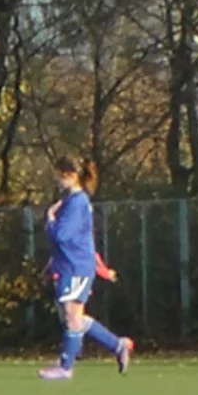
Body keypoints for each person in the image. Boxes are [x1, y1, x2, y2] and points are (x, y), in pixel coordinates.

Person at [38, 156, 134, 380]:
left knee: (72, 316)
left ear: (70, 175)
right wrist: (51, 263)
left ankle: (65, 367)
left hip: (76, 267)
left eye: (58, 175)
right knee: (71, 317)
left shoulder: (77, 201)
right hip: (67, 265)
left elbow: (62, 235)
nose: (56, 180)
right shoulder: (72, 200)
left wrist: (50, 219)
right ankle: (118, 345)